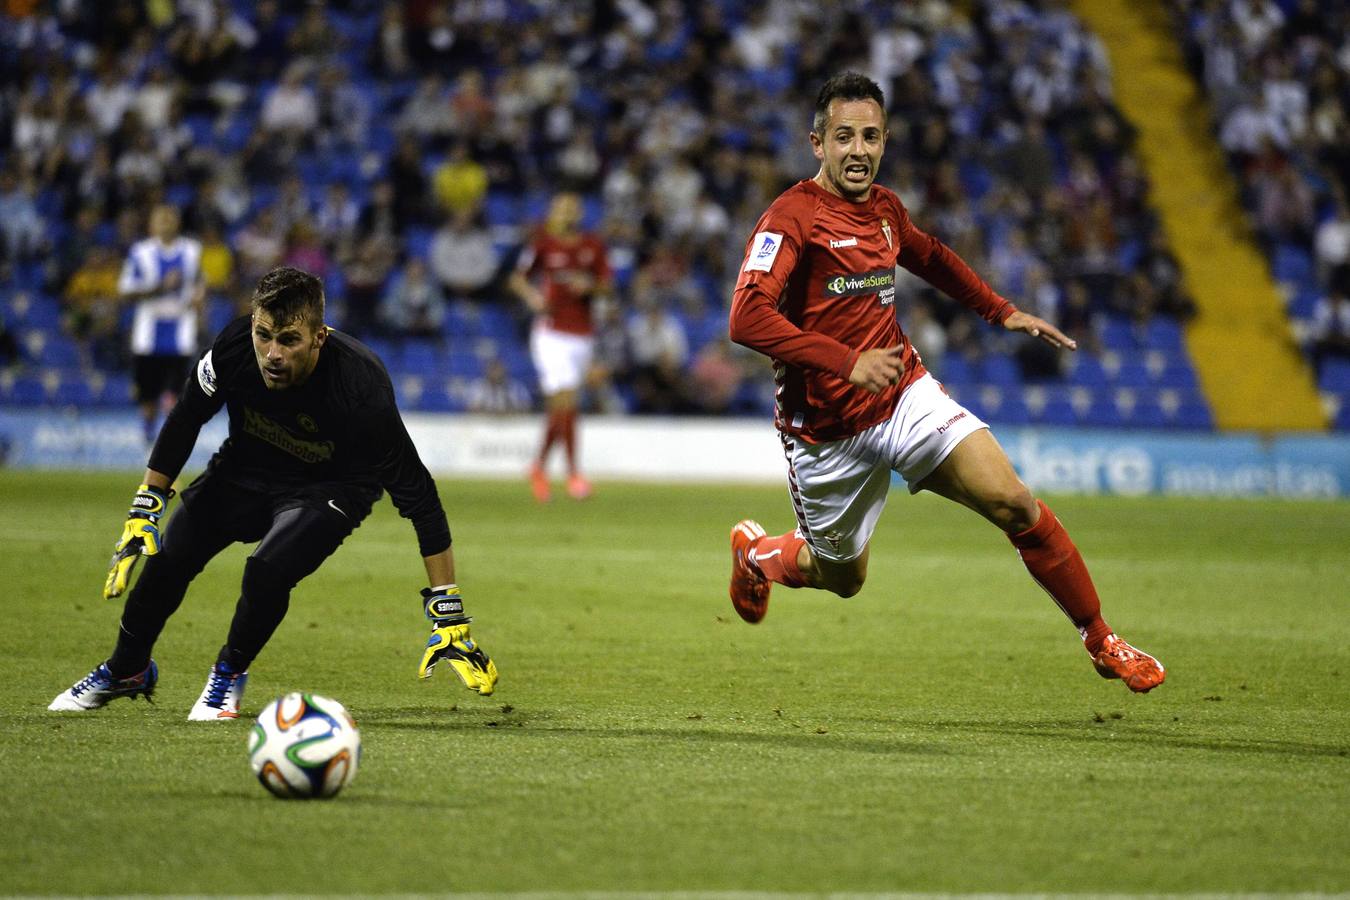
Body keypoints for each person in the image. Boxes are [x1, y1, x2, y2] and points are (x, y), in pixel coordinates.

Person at [726, 73, 1164, 693]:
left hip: (903, 396)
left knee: (1014, 501)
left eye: (871, 137)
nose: (859, 150)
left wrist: (998, 309)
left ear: (885, 141)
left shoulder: (884, 209)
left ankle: (1102, 638)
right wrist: (842, 361)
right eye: (844, 137)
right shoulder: (791, 217)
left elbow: (928, 255)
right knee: (843, 578)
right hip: (824, 433)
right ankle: (758, 553)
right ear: (817, 144)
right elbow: (746, 318)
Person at [50, 266, 498, 719]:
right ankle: (126, 669)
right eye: (263, 335)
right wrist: (146, 504)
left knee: (267, 570)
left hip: (331, 487)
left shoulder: (361, 386)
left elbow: (419, 495)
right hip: (244, 469)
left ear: (319, 337)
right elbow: (187, 415)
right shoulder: (232, 348)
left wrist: (449, 611)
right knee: (170, 553)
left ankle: (228, 673)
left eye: (288, 340)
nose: (272, 354)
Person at [508, 191, 612, 502]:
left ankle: (538, 467)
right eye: (560, 208)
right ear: (553, 212)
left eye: (571, 208)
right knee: (566, 399)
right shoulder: (542, 243)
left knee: (562, 406)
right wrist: (534, 299)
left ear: (579, 212)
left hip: (582, 333)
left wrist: (589, 285)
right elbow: (518, 278)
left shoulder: (592, 245)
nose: (566, 213)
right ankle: (573, 474)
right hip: (551, 333)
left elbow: (607, 285)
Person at [117, 204, 206, 443]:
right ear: (152, 224)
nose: (166, 221)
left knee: (178, 391)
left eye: (171, 216)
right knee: (148, 394)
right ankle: (147, 436)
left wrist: (199, 299)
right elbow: (126, 292)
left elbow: (199, 282)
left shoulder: (192, 251)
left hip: (181, 330)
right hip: (148, 331)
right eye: (161, 217)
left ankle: (170, 439)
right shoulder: (140, 252)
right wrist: (159, 287)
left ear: (178, 222)